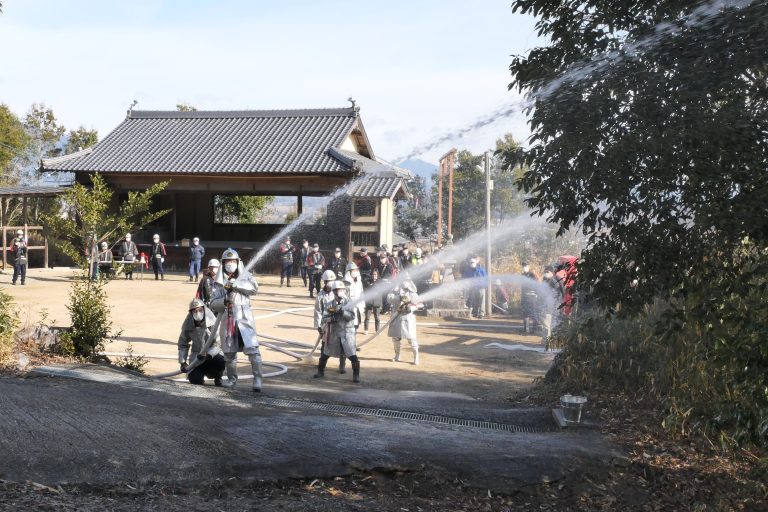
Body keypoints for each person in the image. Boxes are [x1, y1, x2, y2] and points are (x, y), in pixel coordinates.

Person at [210, 248, 262, 391]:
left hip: (244, 318)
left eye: (233, 261)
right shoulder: (218, 282)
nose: (230, 264)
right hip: (228, 319)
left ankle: (257, 379)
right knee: (229, 353)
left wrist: (236, 284)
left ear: (238, 262)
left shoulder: (247, 277)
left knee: (252, 349)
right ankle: (232, 380)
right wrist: (223, 302)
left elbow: (254, 289)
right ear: (223, 263)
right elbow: (212, 303)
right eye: (227, 261)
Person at [314, 280, 361, 383]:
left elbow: (352, 316)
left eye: (342, 290)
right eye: (339, 290)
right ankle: (320, 371)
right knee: (326, 353)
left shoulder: (349, 302)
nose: (341, 292)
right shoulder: (330, 304)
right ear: (334, 291)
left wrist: (343, 312)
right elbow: (325, 317)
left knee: (352, 354)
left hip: (347, 332)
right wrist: (331, 319)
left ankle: (356, 375)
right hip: (334, 332)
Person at [178, 298, 225, 386]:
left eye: (199, 310)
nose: (197, 313)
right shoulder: (188, 325)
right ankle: (199, 375)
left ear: (204, 309)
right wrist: (183, 362)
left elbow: (219, 342)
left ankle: (218, 376)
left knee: (220, 360)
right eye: (194, 311)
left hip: (212, 356)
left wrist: (209, 354)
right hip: (197, 358)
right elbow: (183, 343)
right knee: (195, 380)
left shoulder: (213, 322)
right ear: (191, 312)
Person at [313, 270, 345, 373]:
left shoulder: (338, 292)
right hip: (326, 324)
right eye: (328, 281)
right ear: (324, 282)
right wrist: (318, 326)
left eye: (332, 280)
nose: (330, 283)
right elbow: (318, 311)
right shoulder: (320, 295)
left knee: (341, 344)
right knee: (325, 345)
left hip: (338, 324)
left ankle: (342, 365)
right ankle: (321, 368)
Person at [387, 280, 421, 365]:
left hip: (407, 318)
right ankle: (397, 355)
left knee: (411, 339)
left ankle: (416, 357)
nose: (404, 282)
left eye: (406, 280)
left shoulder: (412, 292)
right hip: (396, 316)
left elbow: (420, 304)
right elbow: (389, 299)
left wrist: (411, 308)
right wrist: (399, 297)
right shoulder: (395, 290)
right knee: (395, 338)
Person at [344, 262, 365, 330]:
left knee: (356, 326)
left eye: (356, 270)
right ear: (348, 272)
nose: (355, 272)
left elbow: (362, 294)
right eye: (353, 270)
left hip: (358, 308)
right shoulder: (345, 283)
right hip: (348, 309)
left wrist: (363, 306)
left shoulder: (359, 282)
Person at [521, 262, 540, 333]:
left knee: (533, 312)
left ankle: (535, 329)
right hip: (525, 296)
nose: (524, 267)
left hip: (532, 296)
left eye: (525, 266)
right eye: (523, 266)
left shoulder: (532, 274)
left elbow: (537, 284)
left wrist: (536, 293)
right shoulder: (522, 275)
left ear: (528, 266)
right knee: (525, 312)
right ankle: (526, 329)